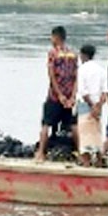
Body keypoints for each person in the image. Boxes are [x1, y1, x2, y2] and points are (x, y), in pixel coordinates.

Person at [36, 26, 79, 160]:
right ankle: (79, 153)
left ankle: (41, 152)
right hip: (69, 97)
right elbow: (76, 77)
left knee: (46, 124)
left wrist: (59, 94)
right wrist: (72, 96)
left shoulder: (53, 53)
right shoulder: (73, 54)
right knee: (73, 125)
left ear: (56, 37)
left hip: (55, 97)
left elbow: (52, 76)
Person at [75, 44, 108, 166]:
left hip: (85, 104)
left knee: (85, 135)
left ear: (83, 55)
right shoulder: (101, 70)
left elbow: (83, 92)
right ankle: (99, 160)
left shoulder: (82, 70)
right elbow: (105, 92)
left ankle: (86, 162)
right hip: (98, 105)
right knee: (97, 133)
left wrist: (92, 106)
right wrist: (98, 106)